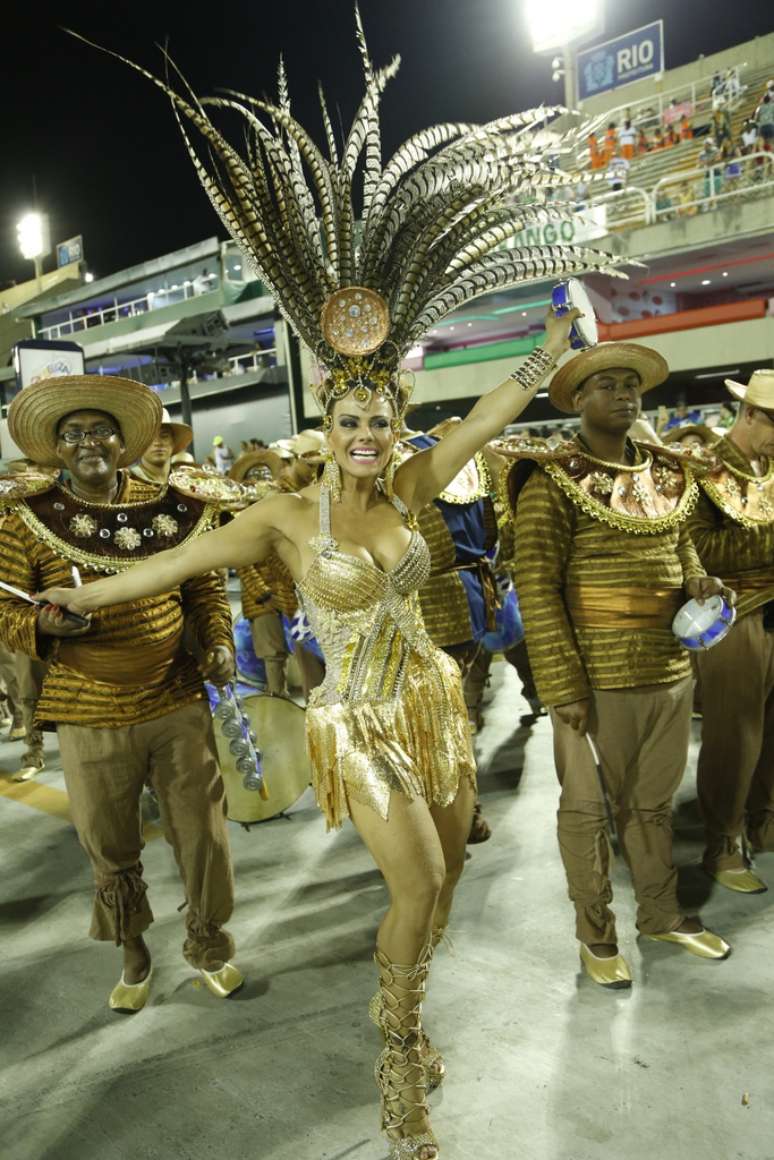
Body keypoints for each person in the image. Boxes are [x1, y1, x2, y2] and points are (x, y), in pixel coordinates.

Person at [48, 23, 628, 1155]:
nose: (367, 433)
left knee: (446, 883)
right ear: (327, 426)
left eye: (381, 418)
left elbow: (494, 418)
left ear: (394, 424)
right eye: (349, 419)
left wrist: (546, 344)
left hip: (435, 705)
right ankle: (402, 1064)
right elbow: (166, 563)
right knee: (410, 886)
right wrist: (85, 593)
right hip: (354, 717)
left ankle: (403, 997)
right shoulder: (277, 517)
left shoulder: (416, 483)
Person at [0, 375, 242, 1012]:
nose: (89, 443)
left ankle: (208, 941)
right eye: (73, 434)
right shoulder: (28, 518)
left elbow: (205, 591)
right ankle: (133, 949)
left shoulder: (171, 506)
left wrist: (218, 641)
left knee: (204, 833)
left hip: (176, 696)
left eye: (100, 430)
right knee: (108, 842)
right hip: (88, 704)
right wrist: (42, 625)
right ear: (55, 447)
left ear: (123, 440)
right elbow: (3, 607)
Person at [506, 344, 732, 989]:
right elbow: (538, 588)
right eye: (606, 385)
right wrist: (561, 685)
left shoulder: (666, 474)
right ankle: (595, 934)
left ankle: (660, 913)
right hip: (594, 680)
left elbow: (681, 543)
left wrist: (698, 582)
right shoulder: (549, 479)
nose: (625, 395)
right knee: (585, 809)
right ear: (577, 400)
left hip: (669, 668)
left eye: (631, 385)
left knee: (652, 806)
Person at [687, 370, 774, 893]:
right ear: (748, 414)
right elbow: (697, 551)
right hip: (734, 616)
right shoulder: (704, 470)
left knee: (769, 729)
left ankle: (763, 821)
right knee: (734, 736)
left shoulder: (770, 467)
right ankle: (722, 841)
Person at [131, 407, 192, 484]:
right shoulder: (128, 483)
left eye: (164, 436)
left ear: (173, 442)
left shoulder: (185, 482)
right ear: (140, 444)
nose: (158, 443)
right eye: (150, 437)